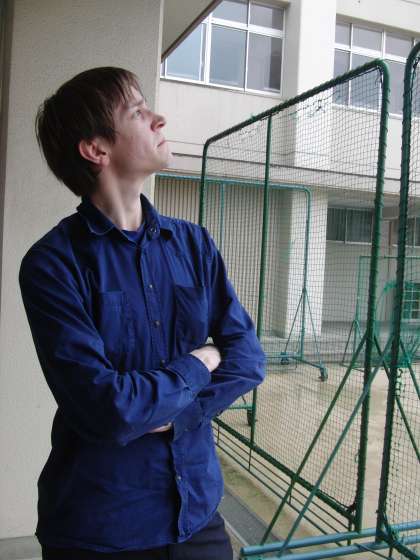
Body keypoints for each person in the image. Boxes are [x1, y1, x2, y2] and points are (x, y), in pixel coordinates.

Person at [19, 67, 266, 559]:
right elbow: (109, 409)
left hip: (197, 513)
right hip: (101, 526)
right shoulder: (53, 264)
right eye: (137, 111)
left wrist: (174, 414)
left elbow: (247, 358)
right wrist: (200, 362)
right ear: (96, 149)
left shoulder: (193, 244)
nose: (159, 118)